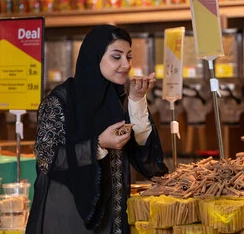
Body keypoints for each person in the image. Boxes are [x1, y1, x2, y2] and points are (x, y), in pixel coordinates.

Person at [26, 24, 168, 234]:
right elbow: (46, 157)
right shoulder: (61, 100)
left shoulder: (116, 98)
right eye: (116, 57)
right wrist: (98, 145)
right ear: (94, 56)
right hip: (68, 218)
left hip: (113, 218)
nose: (126, 65)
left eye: (129, 57)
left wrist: (137, 100)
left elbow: (147, 160)